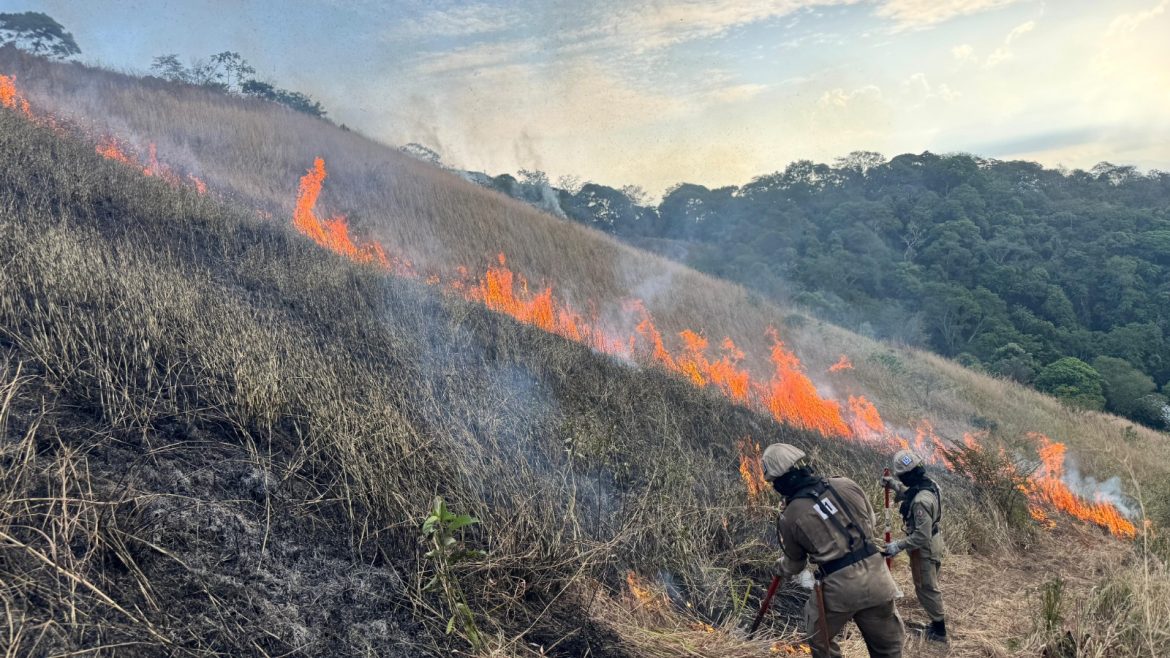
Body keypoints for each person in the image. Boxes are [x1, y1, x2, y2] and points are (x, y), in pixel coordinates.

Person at [763, 443, 904, 658]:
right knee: (888, 649)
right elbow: (871, 521)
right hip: (878, 577)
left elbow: (795, 564)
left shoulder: (789, 516)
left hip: (840, 589)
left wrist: (781, 567)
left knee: (819, 637)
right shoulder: (845, 484)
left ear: (781, 482)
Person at [881, 449, 947, 642]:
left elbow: (921, 536)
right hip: (935, 541)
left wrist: (897, 546)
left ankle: (939, 632)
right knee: (929, 585)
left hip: (924, 548)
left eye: (901, 476)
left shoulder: (920, 502)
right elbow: (909, 492)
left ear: (907, 475)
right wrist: (893, 484)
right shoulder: (930, 485)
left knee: (926, 588)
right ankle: (936, 624)